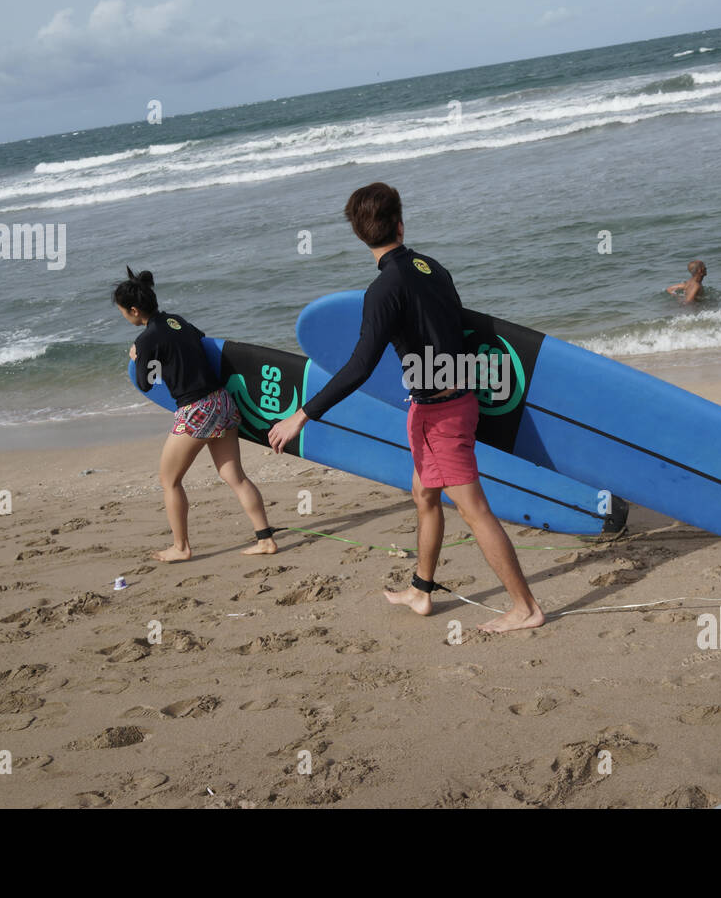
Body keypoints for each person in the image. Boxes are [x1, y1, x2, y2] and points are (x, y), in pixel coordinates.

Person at [266, 183, 544, 632]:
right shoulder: (432, 268)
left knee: (474, 510)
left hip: (442, 414)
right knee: (424, 495)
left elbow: (359, 366)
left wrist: (301, 415)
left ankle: (525, 607)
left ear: (360, 236)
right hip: (449, 402)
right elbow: (458, 332)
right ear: (399, 223)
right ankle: (420, 589)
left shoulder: (382, 290)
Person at [115, 267, 277, 561]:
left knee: (169, 481)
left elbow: (146, 382)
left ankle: (181, 548)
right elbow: (202, 343)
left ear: (134, 310)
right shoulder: (176, 320)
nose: (124, 317)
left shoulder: (146, 340)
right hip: (222, 401)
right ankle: (265, 539)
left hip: (196, 410)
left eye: (123, 312)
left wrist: (136, 357)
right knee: (234, 476)